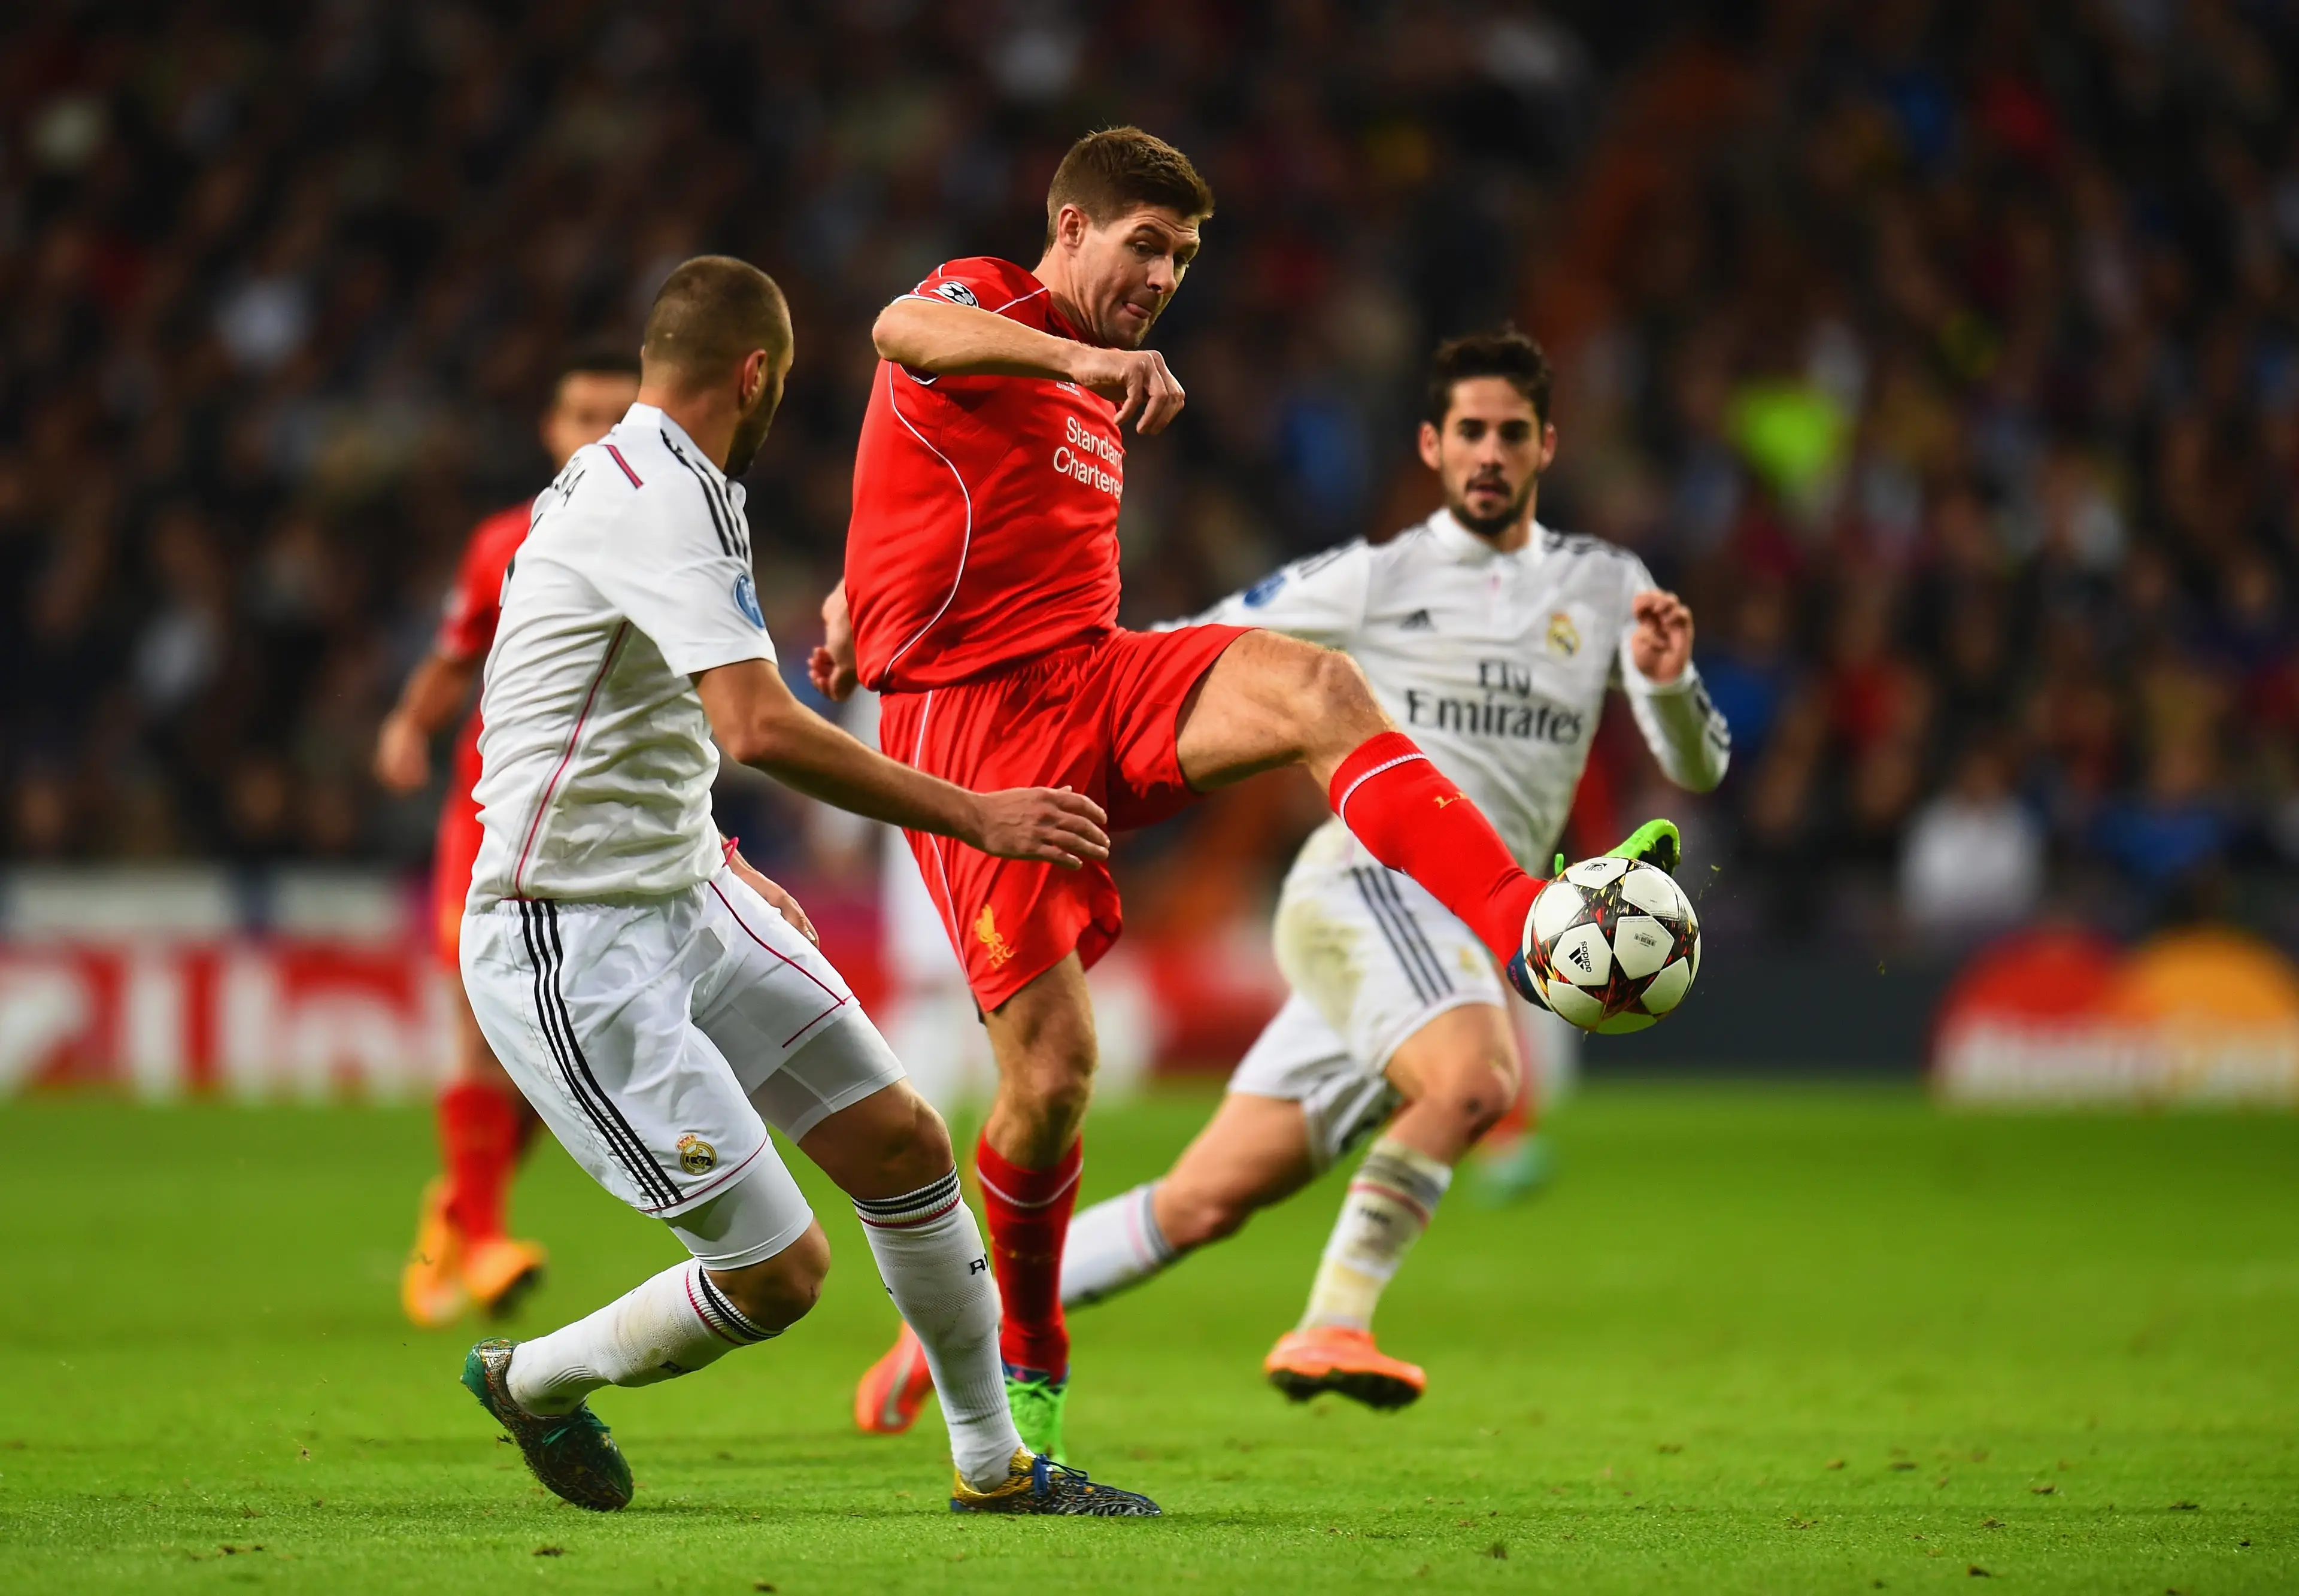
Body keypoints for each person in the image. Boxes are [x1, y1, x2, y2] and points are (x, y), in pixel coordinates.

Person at [817, 128, 1673, 1460]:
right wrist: (1081, 357)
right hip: (972, 738)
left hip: (1092, 678)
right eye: (1144, 245)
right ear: (1072, 227)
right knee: (1051, 1080)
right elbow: (903, 331)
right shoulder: (997, 302)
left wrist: (855, 594)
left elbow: (928, 492)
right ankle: (1026, 1339)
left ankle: (1523, 927)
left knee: (1320, 692)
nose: (1162, 277)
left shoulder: (1084, 383)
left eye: (1183, 257)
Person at [454, 254, 1157, 1516]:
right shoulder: (656, 499)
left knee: (901, 1141)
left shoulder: (661, 480)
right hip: (569, 935)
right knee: (781, 1273)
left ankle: (997, 1468)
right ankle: (534, 1380)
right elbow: (757, 728)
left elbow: (617, 718)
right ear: (757, 373)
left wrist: (719, 856)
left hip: (685, 888)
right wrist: (976, 812)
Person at [375, 345, 639, 1329]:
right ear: (552, 430)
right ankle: (483, 1236)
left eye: (622, 416)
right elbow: (454, 655)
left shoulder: (671, 542)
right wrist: (408, 723)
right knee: (479, 1023)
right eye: (584, 415)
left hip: (606, 834)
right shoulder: (503, 543)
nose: (601, 434)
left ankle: (459, 1203)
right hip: (491, 824)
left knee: (557, 1043)